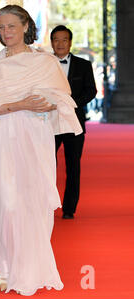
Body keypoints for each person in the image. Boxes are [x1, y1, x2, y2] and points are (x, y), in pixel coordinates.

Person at [0, 5, 83, 296]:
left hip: (36, 137)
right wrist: (22, 103)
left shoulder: (44, 62)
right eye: (2, 27)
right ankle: (6, 268)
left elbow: (60, 99)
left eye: (12, 26)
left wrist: (40, 102)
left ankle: (30, 267)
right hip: (6, 135)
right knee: (8, 204)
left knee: (33, 203)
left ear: (25, 27)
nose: (6, 32)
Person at [50, 25, 97, 219]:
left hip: (74, 122)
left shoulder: (83, 65)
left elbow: (91, 90)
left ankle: (69, 209)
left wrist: (71, 104)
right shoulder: (44, 64)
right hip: (49, 122)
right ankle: (46, 205)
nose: (60, 44)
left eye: (64, 40)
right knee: (46, 166)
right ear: (52, 43)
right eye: (56, 40)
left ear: (70, 42)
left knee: (73, 167)